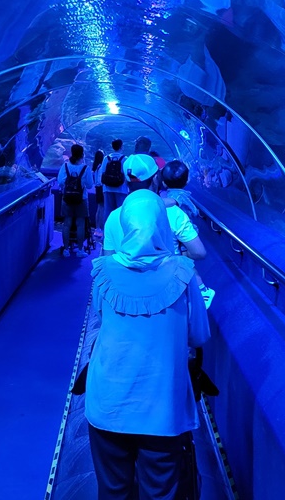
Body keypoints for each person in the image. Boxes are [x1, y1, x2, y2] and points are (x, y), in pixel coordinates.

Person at [86, 190, 211, 499]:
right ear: (161, 225)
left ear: (126, 224)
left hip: (107, 403)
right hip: (161, 407)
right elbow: (198, 336)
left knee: (113, 491)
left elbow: (101, 315)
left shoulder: (102, 270)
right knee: (160, 490)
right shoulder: (183, 273)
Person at [160, 160, 215, 309]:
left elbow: (172, 202)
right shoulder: (186, 195)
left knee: (185, 264)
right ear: (188, 180)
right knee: (187, 264)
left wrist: (153, 202)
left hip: (183, 234)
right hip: (186, 231)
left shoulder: (174, 198)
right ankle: (200, 289)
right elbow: (195, 211)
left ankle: (203, 290)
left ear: (164, 183)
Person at [101, 153, 160, 258]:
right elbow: (197, 252)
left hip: (123, 273)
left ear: (126, 180)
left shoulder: (113, 216)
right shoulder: (170, 212)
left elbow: (107, 257)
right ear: (155, 178)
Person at [58, 144, 94, 257]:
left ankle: (66, 250)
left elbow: (60, 182)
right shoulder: (86, 168)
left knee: (66, 224)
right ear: (82, 154)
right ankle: (80, 250)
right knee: (80, 224)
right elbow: (89, 185)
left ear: (71, 153)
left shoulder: (65, 166)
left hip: (67, 198)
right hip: (81, 199)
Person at [95, 139, 127, 229]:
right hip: (121, 189)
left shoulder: (106, 158)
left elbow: (102, 173)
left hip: (107, 189)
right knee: (120, 212)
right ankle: (119, 232)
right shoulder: (125, 159)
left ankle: (107, 233)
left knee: (107, 211)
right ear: (121, 146)